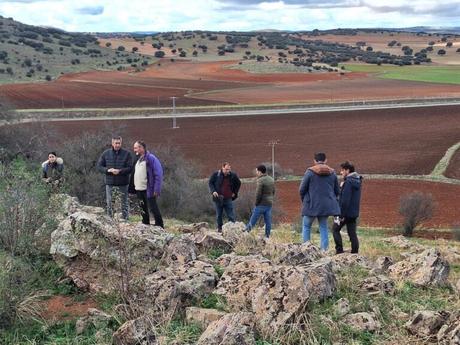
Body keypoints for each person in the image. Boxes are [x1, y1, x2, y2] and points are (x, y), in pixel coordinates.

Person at [299, 152, 340, 251]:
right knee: (323, 227)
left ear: (314, 161)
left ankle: (306, 249)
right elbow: (337, 191)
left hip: (311, 205)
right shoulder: (332, 173)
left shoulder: (309, 172)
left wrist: (304, 200)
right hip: (325, 206)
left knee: (306, 226)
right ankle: (324, 250)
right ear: (326, 160)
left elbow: (302, 189)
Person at [97, 136, 133, 221]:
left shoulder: (127, 154)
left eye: (119, 143)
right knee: (110, 203)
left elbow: (130, 168)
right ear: (112, 143)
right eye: (116, 143)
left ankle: (126, 219)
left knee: (124, 203)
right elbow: (99, 166)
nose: (117, 145)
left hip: (123, 183)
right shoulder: (106, 153)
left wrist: (120, 171)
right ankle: (110, 220)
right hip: (110, 183)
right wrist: (108, 170)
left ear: (121, 143)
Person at [130, 140, 164, 228]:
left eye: (136, 148)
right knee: (142, 207)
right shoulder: (138, 159)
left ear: (142, 148)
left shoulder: (151, 158)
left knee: (153, 207)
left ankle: (159, 225)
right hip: (139, 188)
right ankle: (145, 223)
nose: (134, 150)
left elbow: (158, 174)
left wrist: (156, 189)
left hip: (149, 189)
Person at [332, 161, 362, 254]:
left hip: (346, 213)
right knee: (352, 233)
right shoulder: (357, 181)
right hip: (354, 212)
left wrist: (341, 215)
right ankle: (355, 253)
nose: (341, 173)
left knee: (335, 229)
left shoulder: (348, 182)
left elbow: (345, 200)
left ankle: (339, 251)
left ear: (347, 171)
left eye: (342, 170)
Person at [208, 162, 241, 232]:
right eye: (226, 169)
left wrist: (235, 192)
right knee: (219, 215)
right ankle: (220, 229)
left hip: (228, 198)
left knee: (231, 215)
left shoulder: (233, 175)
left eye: (229, 169)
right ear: (222, 167)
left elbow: (238, 183)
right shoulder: (216, 174)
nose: (228, 171)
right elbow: (210, 182)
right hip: (218, 198)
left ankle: (232, 230)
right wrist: (213, 191)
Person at [245, 164, 275, 238]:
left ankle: (245, 234)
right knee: (268, 221)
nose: (256, 173)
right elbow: (274, 191)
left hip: (261, 204)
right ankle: (267, 236)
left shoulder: (260, 180)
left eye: (257, 171)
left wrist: (256, 203)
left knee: (253, 220)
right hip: (269, 203)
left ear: (260, 172)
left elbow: (258, 193)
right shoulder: (271, 179)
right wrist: (270, 198)